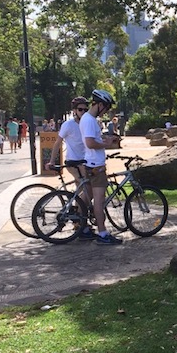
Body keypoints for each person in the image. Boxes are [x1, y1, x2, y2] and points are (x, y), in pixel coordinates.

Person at [47, 96, 94, 238]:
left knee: (83, 192)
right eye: (80, 109)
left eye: (86, 109)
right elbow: (57, 143)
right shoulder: (68, 125)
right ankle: (80, 223)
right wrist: (51, 161)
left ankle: (78, 219)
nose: (83, 112)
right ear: (74, 111)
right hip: (74, 163)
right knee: (89, 192)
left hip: (86, 163)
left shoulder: (88, 123)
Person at [80, 89, 122, 245]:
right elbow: (90, 143)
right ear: (99, 104)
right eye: (107, 108)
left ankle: (82, 227)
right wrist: (105, 144)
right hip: (96, 166)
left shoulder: (87, 119)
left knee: (86, 198)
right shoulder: (90, 120)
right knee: (99, 201)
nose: (107, 112)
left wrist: (106, 139)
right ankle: (103, 234)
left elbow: (93, 139)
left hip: (90, 163)